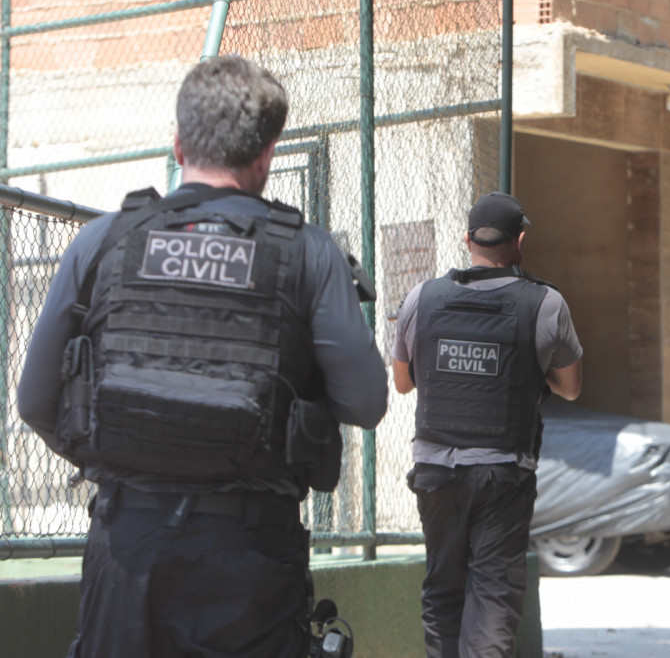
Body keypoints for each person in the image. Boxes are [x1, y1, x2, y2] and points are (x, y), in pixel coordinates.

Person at [16, 55, 390, 658]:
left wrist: (125, 455)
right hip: (251, 562)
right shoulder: (309, 254)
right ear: (267, 153)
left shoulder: (103, 241)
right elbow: (366, 402)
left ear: (178, 143)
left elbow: (35, 402)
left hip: (125, 550)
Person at [391, 191, 583, 658]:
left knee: (443, 591)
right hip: (502, 475)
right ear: (520, 242)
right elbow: (571, 387)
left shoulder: (422, 298)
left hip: (436, 473)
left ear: (467, 240)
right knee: (493, 597)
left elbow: (402, 382)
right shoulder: (545, 304)